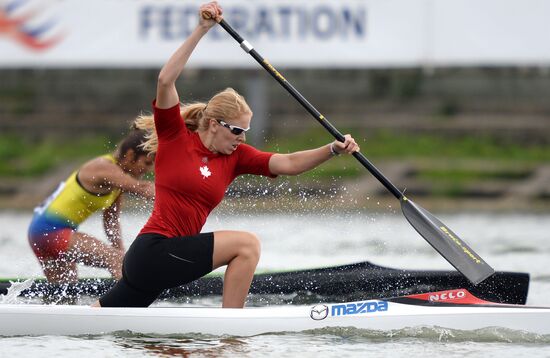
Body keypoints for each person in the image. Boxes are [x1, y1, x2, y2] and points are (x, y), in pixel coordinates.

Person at [96, 1, 359, 308]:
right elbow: (166, 80)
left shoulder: (236, 157)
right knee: (246, 245)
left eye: (245, 130)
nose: (242, 138)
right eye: (236, 130)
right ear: (212, 124)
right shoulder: (174, 137)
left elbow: (287, 163)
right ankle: (231, 329)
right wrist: (201, 30)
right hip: (153, 252)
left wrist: (332, 149)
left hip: (163, 260)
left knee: (136, 338)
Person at [28, 129, 155, 283]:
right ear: (129, 155)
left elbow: (111, 222)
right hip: (51, 231)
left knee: (65, 292)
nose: (149, 169)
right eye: (147, 162)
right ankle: (131, 302)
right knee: (114, 259)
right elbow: (141, 189)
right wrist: (183, 195)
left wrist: (121, 253)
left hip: (38, 233)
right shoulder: (103, 167)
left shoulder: (118, 182)